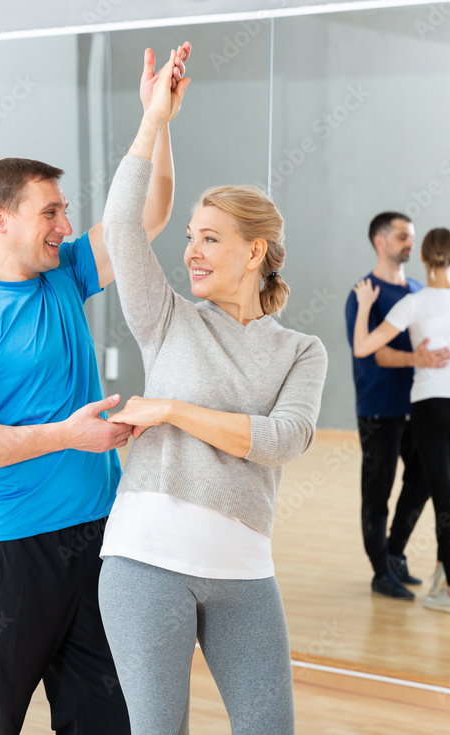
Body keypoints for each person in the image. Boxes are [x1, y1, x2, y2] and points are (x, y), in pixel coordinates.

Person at [0, 43, 191, 735]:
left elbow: (146, 217)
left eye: (66, 211)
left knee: (105, 718)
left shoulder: (65, 271)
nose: (66, 225)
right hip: (5, 548)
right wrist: (68, 434)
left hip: (95, 537)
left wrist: (155, 121)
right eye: (50, 212)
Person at [95, 51, 327, 735]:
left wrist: (167, 408)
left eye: (210, 238)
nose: (191, 251)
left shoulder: (300, 350)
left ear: (255, 252)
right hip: (146, 562)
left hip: (245, 572)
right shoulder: (167, 320)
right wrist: (153, 120)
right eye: (190, 237)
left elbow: (284, 440)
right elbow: (120, 226)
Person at [352, 227, 450, 616]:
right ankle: (442, 570)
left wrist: (363, 305)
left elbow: (362, 347)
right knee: (441, 487)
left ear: (422, 260)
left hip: (431, 408)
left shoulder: (413, 302)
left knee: (444, 496)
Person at [343, 212, 450, 600]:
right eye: (403, 236)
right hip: (379, 410)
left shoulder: (414, 289)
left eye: (412, 237)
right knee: (378, 492)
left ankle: (394, 553)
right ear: (380, 240)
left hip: (418, 407)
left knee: (424, 479)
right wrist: (416, 360)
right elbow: (374, 354)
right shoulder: (363, 293)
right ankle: (380, 573)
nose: (411, 243)